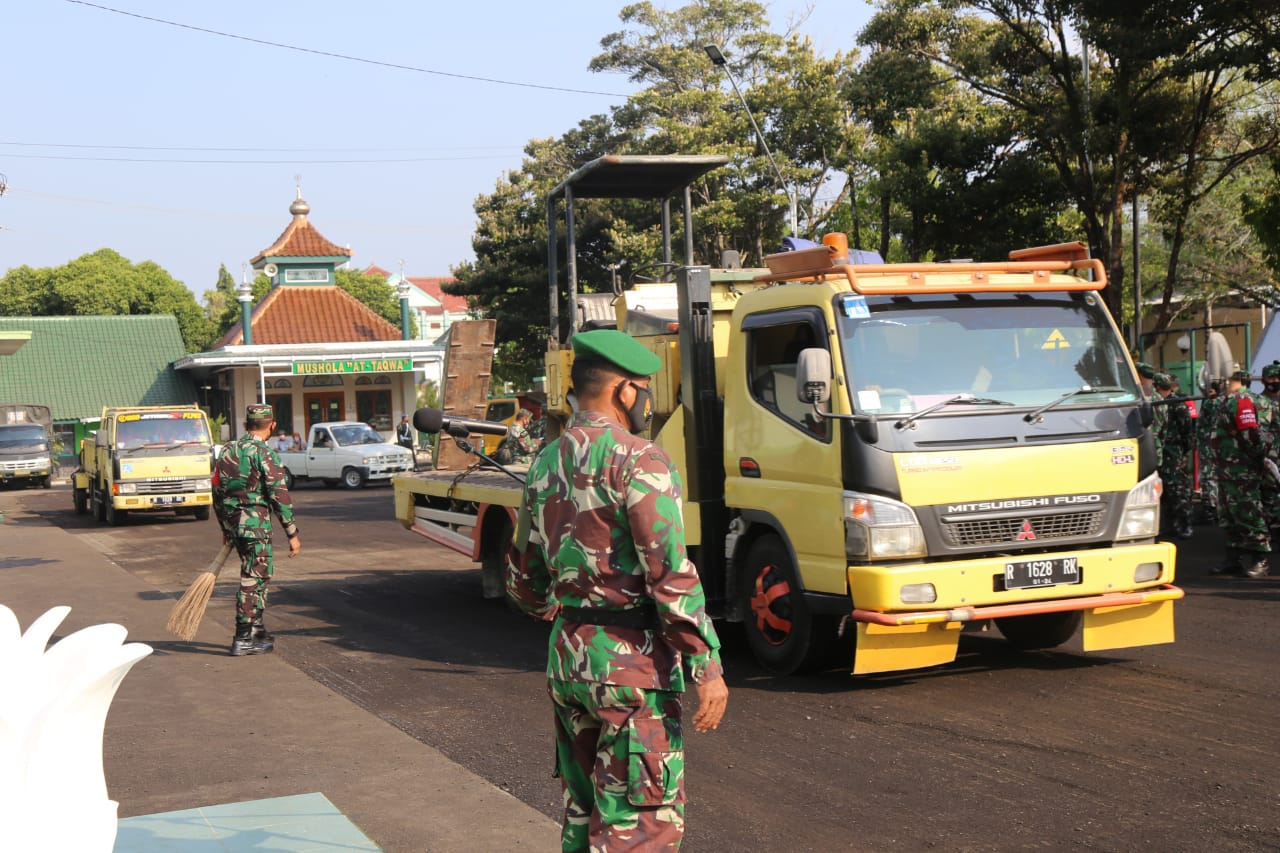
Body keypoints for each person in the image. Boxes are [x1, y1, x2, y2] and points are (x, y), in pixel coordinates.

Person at [506, 328, 728, 852]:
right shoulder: (641, 460)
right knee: (640, 827)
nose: (646, 399)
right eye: (644, 388)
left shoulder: (544, 461)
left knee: (583, 815)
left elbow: (525, 579)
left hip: (570, 660)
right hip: (633, 672)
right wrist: (706, 665)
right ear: (626, 391)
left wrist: (562, 610)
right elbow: (670, 576)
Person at [212, 403, 301, 656]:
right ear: (272, 426)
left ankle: (257, 629)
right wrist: (292, 533)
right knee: (253, 579)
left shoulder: (228, 450)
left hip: (234, 525)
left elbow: (216, 490)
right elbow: (279, 496)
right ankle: (242, 638)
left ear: (245, 425)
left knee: (260, 574)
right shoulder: (265, 454)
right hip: (255, 526)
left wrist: (225, 526)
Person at [1210, 370, 1272, 578]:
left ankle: (1260, 559)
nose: (1226, 385)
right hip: (1227, 468)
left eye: (1228, 381)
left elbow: (1251, 434)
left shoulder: (1242, 400)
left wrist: (1256, 459)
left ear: (1234, 382)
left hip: (1241, 468)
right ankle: (1233, 559)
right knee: (1228, 515)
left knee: (1249, 512)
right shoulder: (1228, 401)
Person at [1153, 373, 1194, 539]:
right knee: (1166, 492)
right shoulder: (1158, 403)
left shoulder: (1177, 404)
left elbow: (1187, 429)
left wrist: (1183, 450)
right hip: (1162, 451)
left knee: (1178, 490)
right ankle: (1171, 525)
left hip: (1173, 451)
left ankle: (1185, 525)